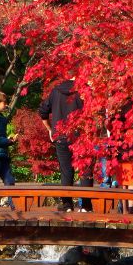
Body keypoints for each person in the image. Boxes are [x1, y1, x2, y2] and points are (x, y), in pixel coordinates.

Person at [40, 76, 87, 208]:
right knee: (85, 169)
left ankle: (67, 205)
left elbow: (43, 112)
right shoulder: (84, 90)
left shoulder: (56, 91)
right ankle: (86, 206)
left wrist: (50, 129)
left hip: (61, 136)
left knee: (66, 170)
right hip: (82, 136)